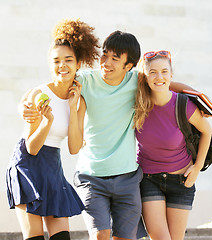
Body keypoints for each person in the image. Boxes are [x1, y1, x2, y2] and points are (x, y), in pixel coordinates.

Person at [20, 31, 198, 240]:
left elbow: (163, 83)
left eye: (115, 59)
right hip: (91, 176)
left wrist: (197, 96)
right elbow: (58, 82)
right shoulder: (85, 80)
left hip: (128, 177)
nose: (106, 62)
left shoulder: (137, 81)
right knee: (101, 235)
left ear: (129, 65)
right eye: (105, 55)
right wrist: (24, 102)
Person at [6, 19, 100, 240]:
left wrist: (72, 106)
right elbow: (31, 147)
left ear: (78, 64)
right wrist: (47, 122)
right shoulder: (38, 95)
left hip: (52, 167)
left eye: (68, 60)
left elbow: (75, 148)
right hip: (27, 166)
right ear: (50, 65)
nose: (62, 66)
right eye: (56, 61)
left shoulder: (79, 101)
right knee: (35, 237)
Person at [133, 50, 212, 240]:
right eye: (152, 72)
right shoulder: (137, 104)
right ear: (144, 76)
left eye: (164, 72)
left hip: (182, 181)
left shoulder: (183, 105)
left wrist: (198, 167)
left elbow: (206, 131)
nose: (159, 77)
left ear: (171, 74)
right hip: (149, 180)